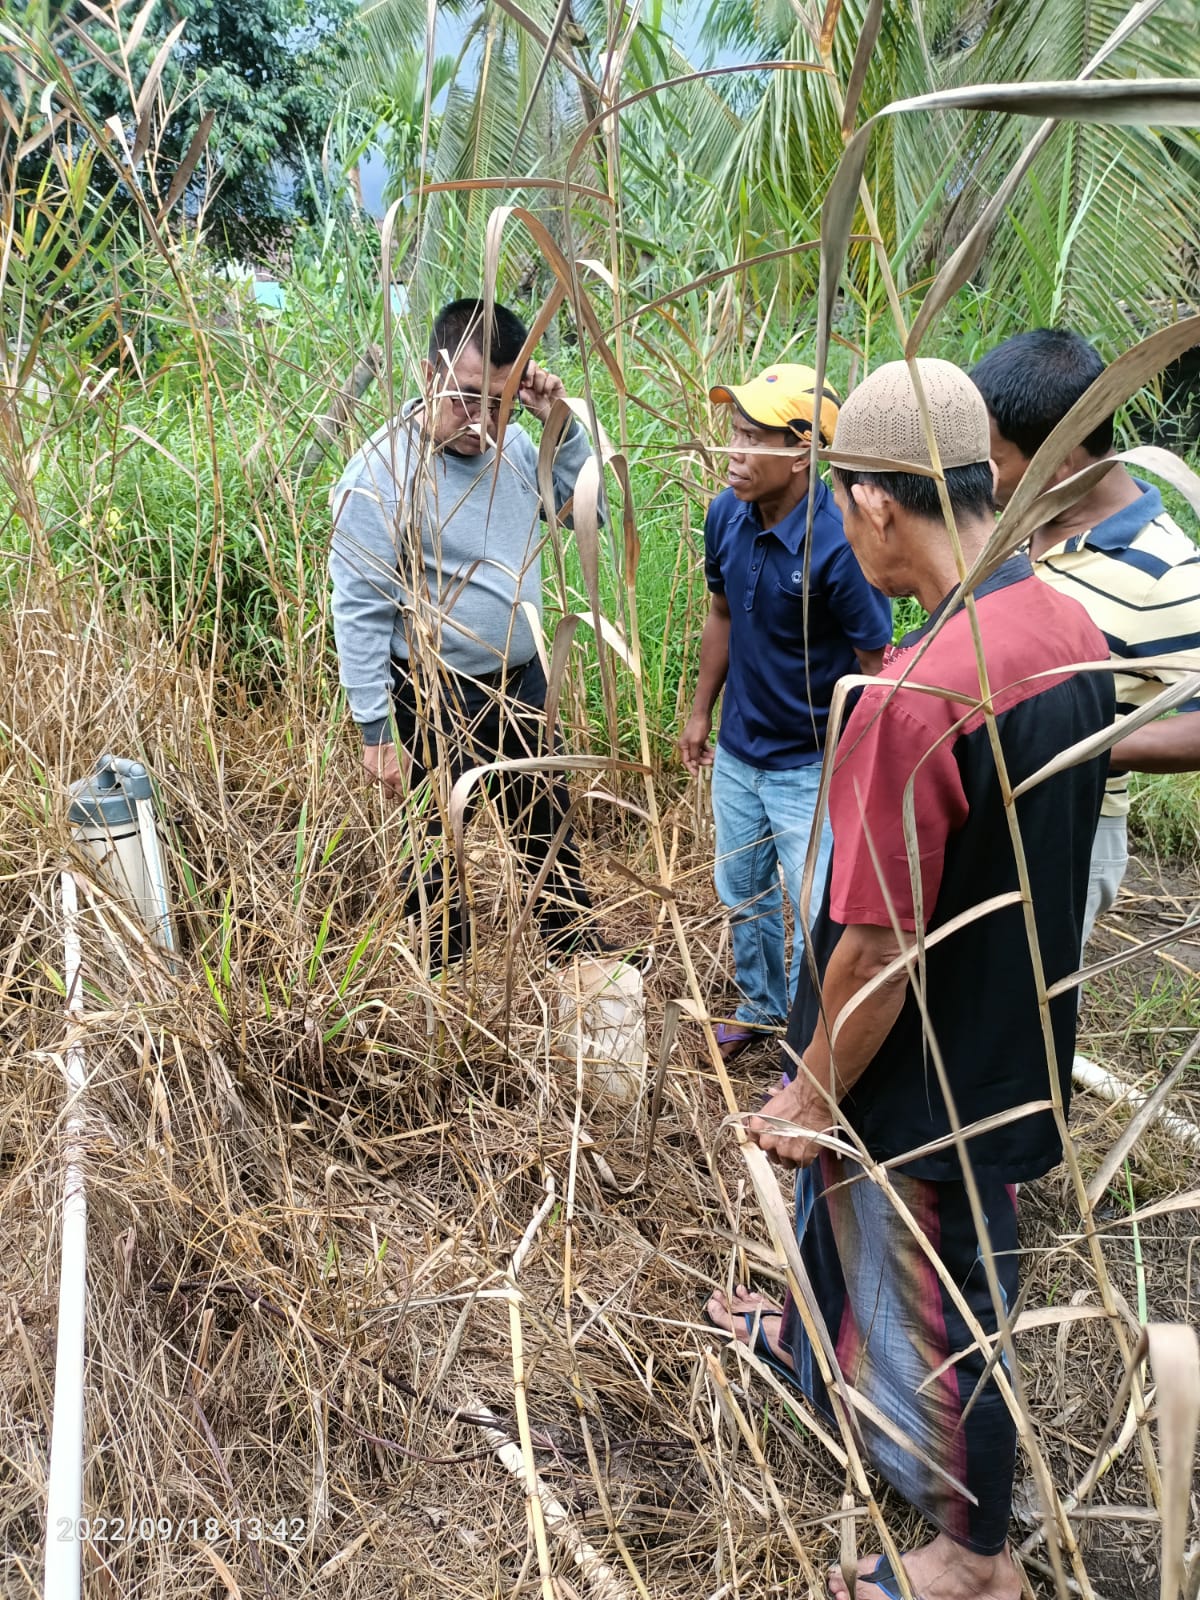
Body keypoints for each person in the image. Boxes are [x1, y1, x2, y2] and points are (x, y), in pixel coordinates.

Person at [706, 360, 1114, 1600]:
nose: (842, 525)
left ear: (878, 507)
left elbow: (880, 950)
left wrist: (812, 1089)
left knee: (950, 1303)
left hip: (932, 1068)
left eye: (846, 502)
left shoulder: (914, 692)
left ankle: (968, 1560)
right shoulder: (1065, 626)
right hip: (1016, 1024)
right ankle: (818, 1344)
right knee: (863, 1232)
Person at [329, 296, 602, 963]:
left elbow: (578, 517)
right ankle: (444, 973)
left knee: (546, 824)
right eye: (468, 399)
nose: (483, 423)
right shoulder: (376, 476)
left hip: (523, 680)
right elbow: (359, 609)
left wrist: (560, 428)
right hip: (431, 695)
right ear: (428, 375)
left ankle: (571, 949)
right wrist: (375, 731)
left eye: (500, 403)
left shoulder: (513, 444)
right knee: (434, 844)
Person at [679, 364, 891, 1061]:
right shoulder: (724, 515)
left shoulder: (840, 541)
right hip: (740, 753)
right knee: (741, 888)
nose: (732, 451)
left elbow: (873, 658)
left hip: (811, 762)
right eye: (732, 433)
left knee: (814, 912)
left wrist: (861, 762)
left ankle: (807, 1042)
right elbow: (720, 613)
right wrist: (701, 711)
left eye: (751, 437)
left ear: (802, 452)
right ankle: (760, 1005)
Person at [971, 328, 1200, 943]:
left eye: (991, 459)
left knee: (1027, 1009)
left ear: (1062, 460)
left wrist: (1073, 747)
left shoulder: (1167, 574)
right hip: (984, 804)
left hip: (1067, 825)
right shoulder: (1016, 523)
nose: (975, 474)